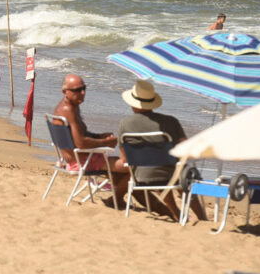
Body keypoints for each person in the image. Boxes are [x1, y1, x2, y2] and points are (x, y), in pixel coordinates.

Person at [116, 80, 206, 222]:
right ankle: (202, 217)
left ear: (133, 103)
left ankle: (176, 213)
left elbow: (125, 159)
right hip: (170, 174)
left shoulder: (124, 123)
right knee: (181, 173)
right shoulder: (170, 121)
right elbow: (185, 148)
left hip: (140, 177)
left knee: (161, 171)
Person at [52, 74, 130, 205]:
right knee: (130, 166)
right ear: (65, 92)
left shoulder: (70, 106)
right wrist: (106, 143)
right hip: (82, 160)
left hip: (76, 157)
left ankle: (117, 197)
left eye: (84, 88)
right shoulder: (68, 110)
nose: (82, 93)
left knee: (123, 172)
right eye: (77, 90)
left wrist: (99, 136)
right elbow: (81, 143)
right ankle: (116, 199)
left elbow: (81, 135)